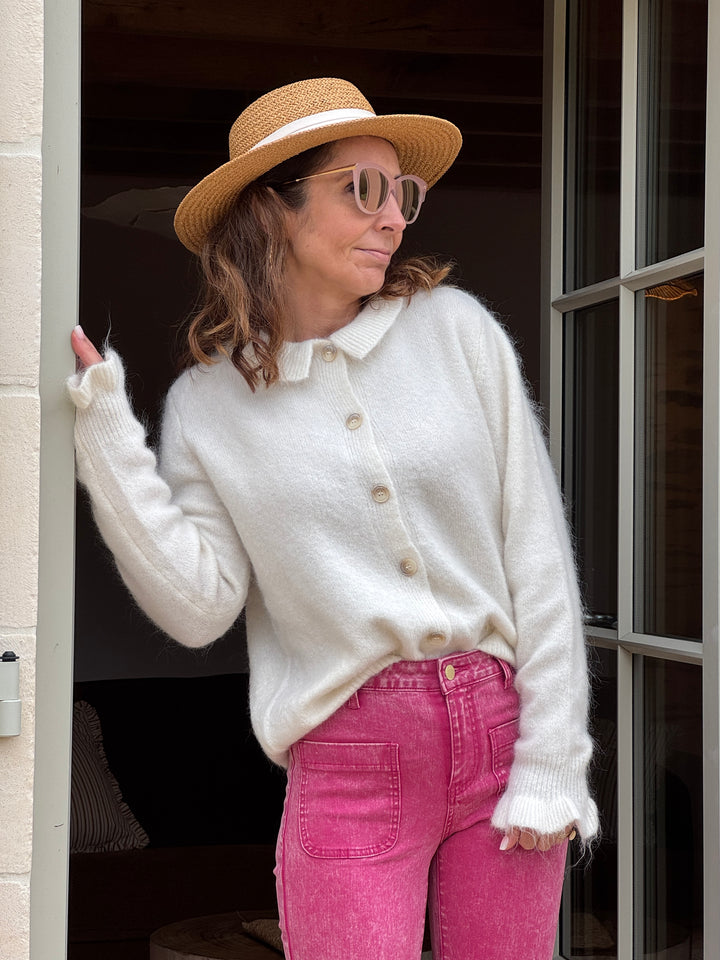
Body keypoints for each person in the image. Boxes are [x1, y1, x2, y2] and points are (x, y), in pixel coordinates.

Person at [69, 77, 598, 960]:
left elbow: (537, 555)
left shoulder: (457, 332)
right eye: (363, 188)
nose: (394, 217)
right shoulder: (210, 403)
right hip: (352, 755)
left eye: (405, 194)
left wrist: (554, 763)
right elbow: (199, 608)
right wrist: (106, 435)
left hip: (504, 732)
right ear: (272, 208)